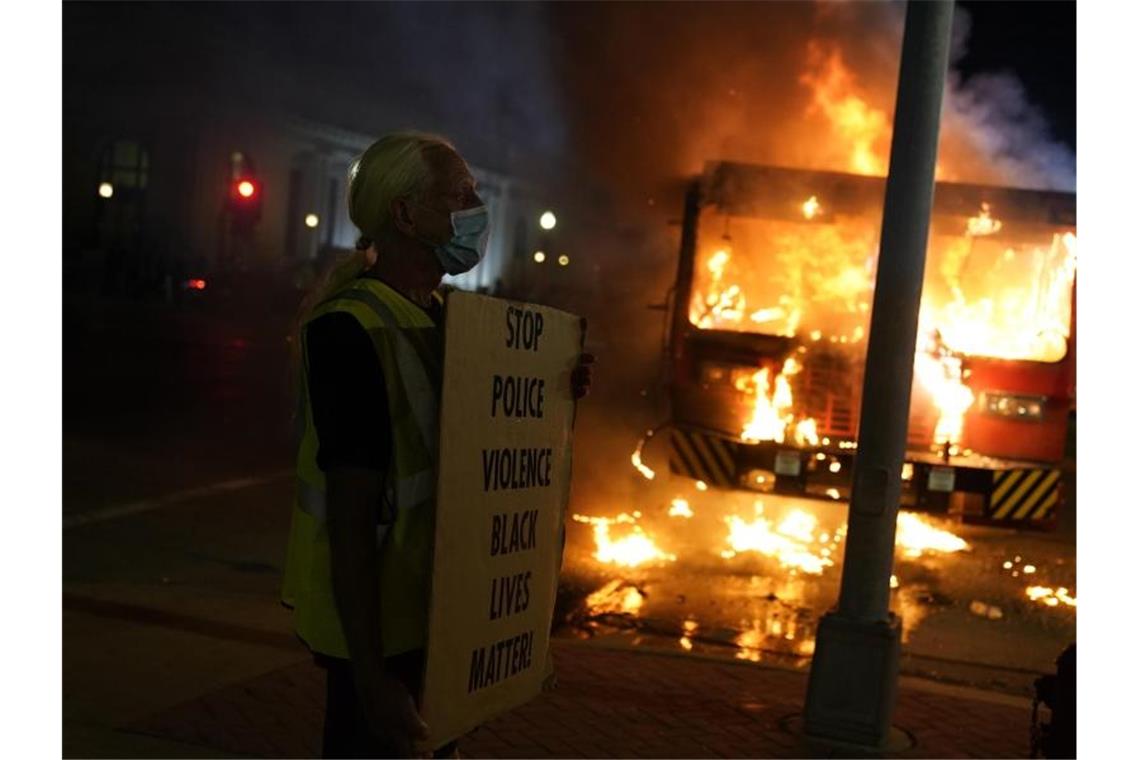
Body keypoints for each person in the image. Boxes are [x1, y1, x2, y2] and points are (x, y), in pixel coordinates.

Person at [281, 132, 593, 759]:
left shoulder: (450, 319)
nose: (478, 207)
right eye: (460, 194)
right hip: (377, 634)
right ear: (404, 213)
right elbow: (350, 515)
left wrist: (552, 383)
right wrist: (371, 679)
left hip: (428, 616)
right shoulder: (351, 327)